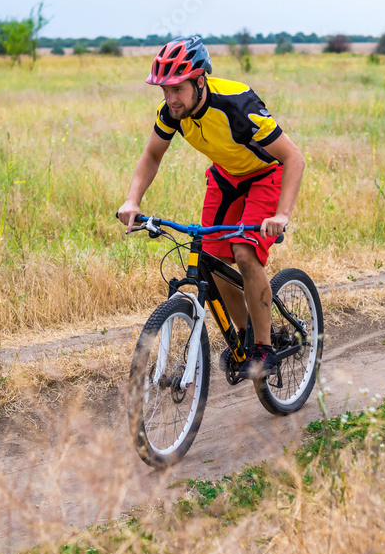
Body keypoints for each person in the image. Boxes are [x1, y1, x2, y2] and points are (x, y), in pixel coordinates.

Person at [117, 35, 305, 380]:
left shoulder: (237, 104)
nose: (170, 99)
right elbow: (152, 155)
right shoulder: (173, 112)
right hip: (225, 177)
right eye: (164, 90)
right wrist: (133, 199)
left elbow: (294, 157)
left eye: (178, 89)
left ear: (200, 81)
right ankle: (248, 333)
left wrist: (282, 215)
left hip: (266, 174)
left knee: (244, 252)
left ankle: (263, 349)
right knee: (213, 260)